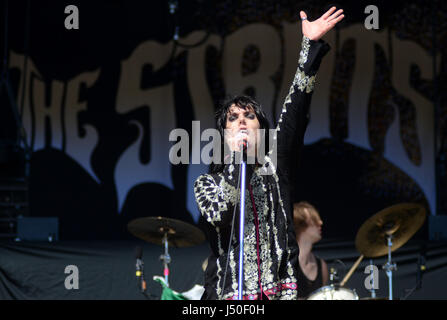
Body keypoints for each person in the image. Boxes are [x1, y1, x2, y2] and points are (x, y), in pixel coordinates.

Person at [194, 7, 344, 300]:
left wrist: (309, 47)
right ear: (224, 134)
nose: (240, 121)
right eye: (233, 118)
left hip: (278, 293)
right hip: (228, 296)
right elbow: (222, 213)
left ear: (262, 130)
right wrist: (240, 159)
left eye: (249, 116)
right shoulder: (205, 184)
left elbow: (296, 108)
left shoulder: (276, 166)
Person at [293, 201, 329, 299]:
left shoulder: (322, 266)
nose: (320, 223)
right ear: (300, 224)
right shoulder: (287, 264)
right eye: (314, 219)